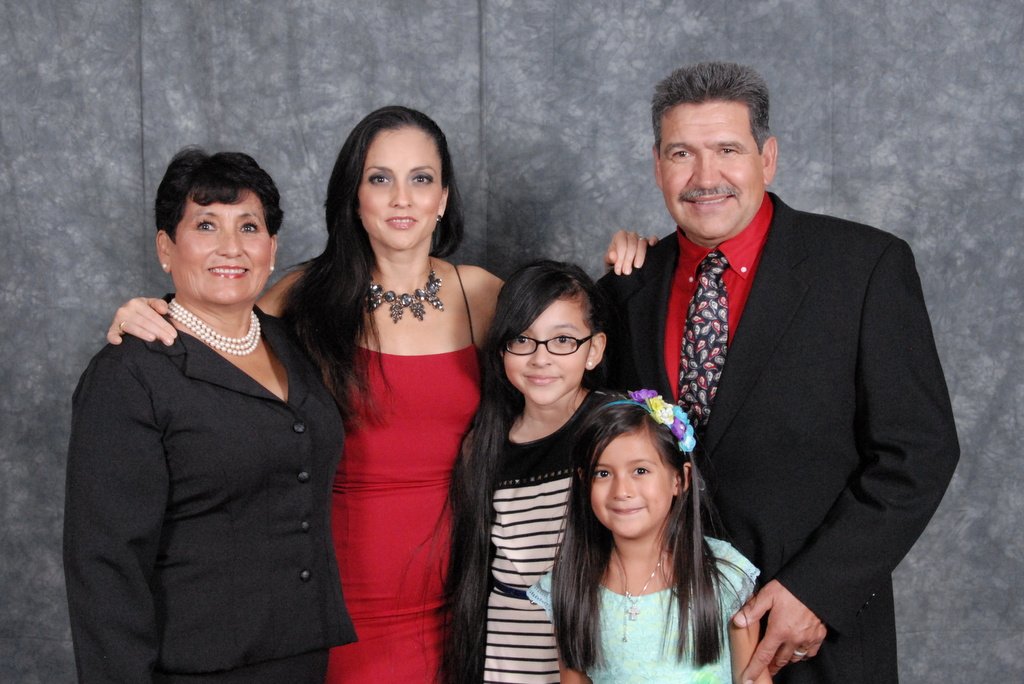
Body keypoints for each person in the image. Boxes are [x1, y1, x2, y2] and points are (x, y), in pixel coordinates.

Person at [104, 107, 651, 681]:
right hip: (339, 600)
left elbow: (570, 356)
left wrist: (639, 263)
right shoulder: (300, 296)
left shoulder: (484, 295)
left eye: (421, 178)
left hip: (462, 597)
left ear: (443, 198)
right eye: (380, 178)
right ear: (354, 196)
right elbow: (218, 345)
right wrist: (149, 313)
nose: (401, 199)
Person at [599, 62, 960, 683]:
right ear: (657, 165)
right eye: (682, 153)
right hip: (661, 644)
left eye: (727, 150)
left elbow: (918, 452)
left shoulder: (863, 267)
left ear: (767, 158)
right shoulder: (625, 290)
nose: (704, 177)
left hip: (812, 639)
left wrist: (818, 591)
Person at [63, 149, 356, 683]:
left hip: (301, 656)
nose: (231, 247)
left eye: (249, 226)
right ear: (166, 248)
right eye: (205, 225)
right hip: (193, 668)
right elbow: (106, 564)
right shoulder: (130, 374)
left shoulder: (296, 344)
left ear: (272, 249)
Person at [527, 391, 768, 683]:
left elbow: (752, 678)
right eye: (602, 474)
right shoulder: (571, 585)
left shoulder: (723, 574)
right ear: (583, 481)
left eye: (640, 470)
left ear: (680, 479)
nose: (622, 491)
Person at [444, 260, 608, 683]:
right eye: (522, 339)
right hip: (507, 657)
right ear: (501, 348)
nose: (541, 358)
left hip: (594, 657)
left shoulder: (616, 429)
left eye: (563, 340)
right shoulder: (484, 444)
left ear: (594, 350)